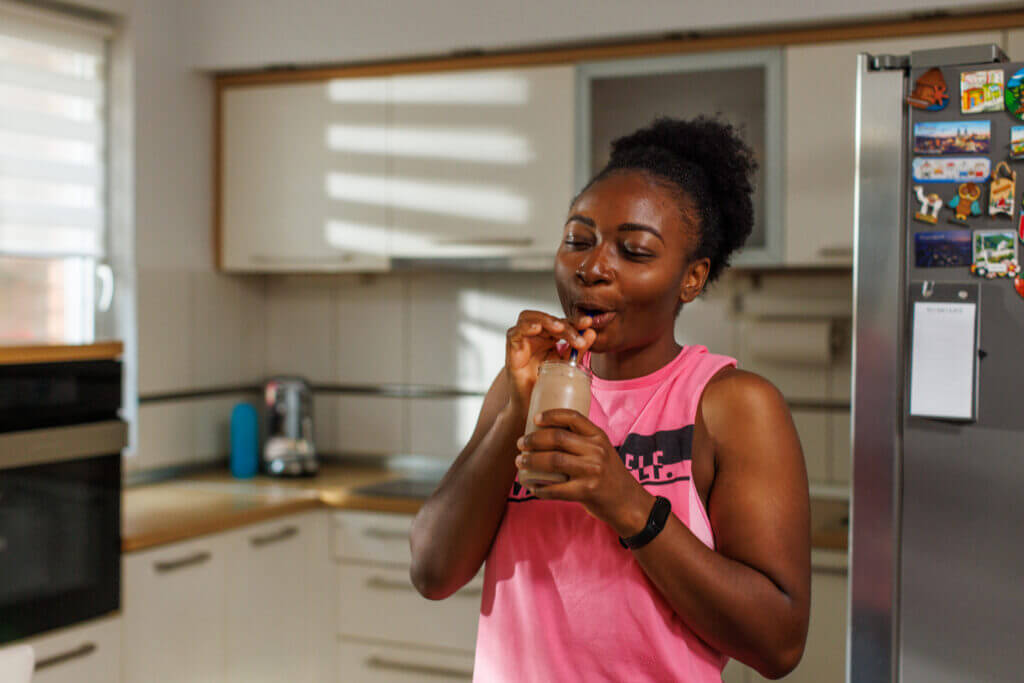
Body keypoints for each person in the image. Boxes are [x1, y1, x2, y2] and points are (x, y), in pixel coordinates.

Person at [409, 116, 811, 682]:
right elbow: (432, 572)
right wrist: (516, 411)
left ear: (691, 279)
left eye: (635, 251)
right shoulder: (525, 383)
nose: (591, 267)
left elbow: (779, 643)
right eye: (578, 240)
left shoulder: (732, 406)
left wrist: (625, 501)